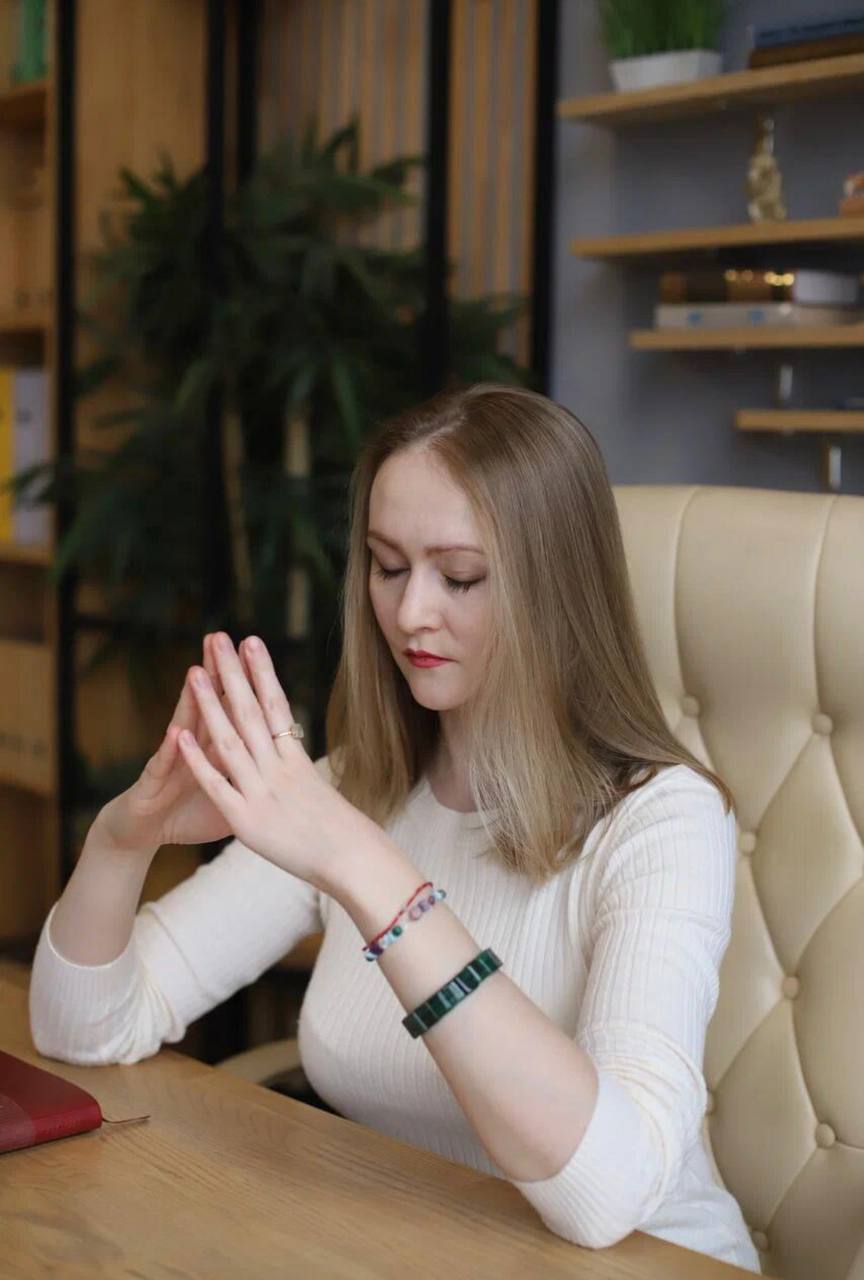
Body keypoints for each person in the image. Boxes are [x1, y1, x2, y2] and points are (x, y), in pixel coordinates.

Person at [29, 383, 760, 1271]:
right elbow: (86, 1030)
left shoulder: (663, 820)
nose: (412, 613)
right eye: (386, 565)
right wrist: (123, 837)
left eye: (459, 577)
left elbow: (607, 1194)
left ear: (555, 593)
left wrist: (363, 865)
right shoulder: (358, 789)